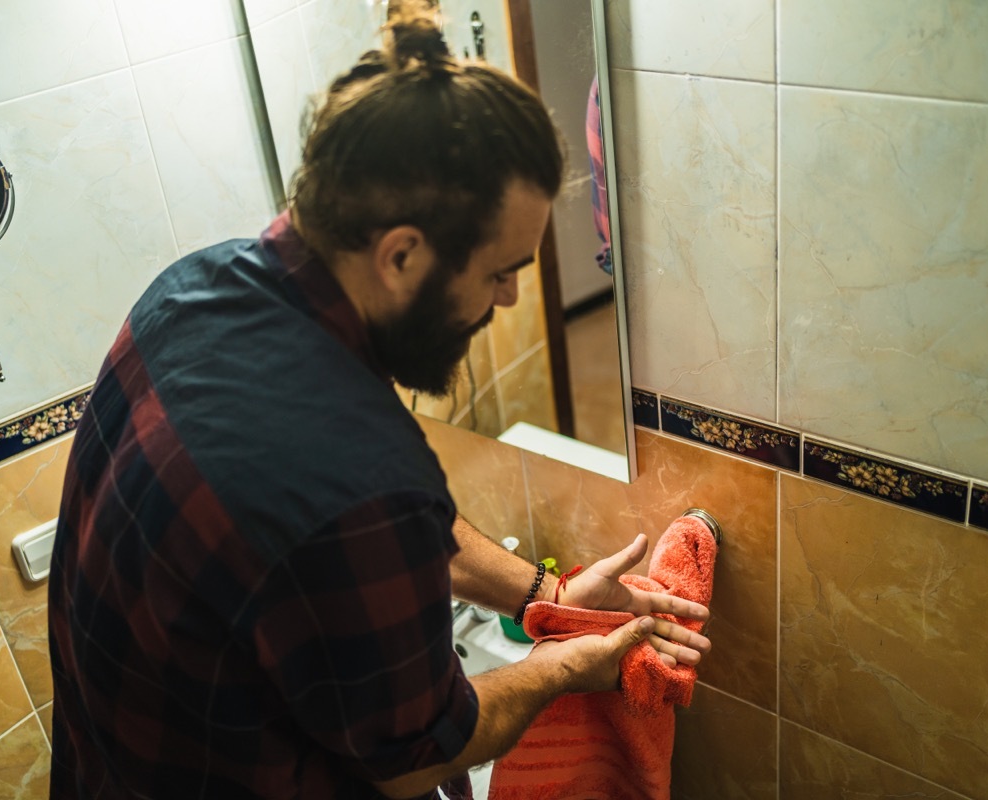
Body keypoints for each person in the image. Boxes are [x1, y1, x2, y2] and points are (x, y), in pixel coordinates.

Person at [47, 4, 711, 798]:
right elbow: (419, 757)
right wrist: (564, 666)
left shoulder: (190, 291)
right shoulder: (359, 480)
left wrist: (549, 596)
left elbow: (390, 532)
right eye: (501, 270)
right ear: (400, 254)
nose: (505, 300)